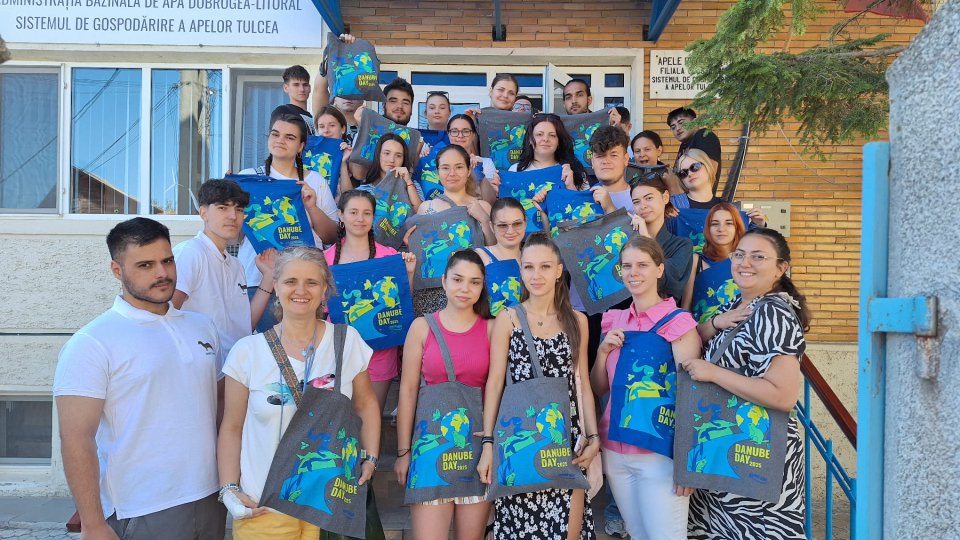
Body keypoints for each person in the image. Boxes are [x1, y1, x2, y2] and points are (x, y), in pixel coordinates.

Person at [55, 217, 225, 540]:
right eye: (145, 265)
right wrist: (92, 525)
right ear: (117, 271)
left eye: (168, 260)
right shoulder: (92, 342)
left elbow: (219, 406)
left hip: (209, 497)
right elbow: (76, 439)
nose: (162, 273)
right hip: (141, 508)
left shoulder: (202, 327)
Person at [217, 246, 382, 538]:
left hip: (330, 507)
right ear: (276, 285)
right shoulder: (247, 352)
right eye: (291, 281)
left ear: (325, 290)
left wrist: (370, 456)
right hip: (265, 506)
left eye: (311, 282)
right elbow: (232, 426)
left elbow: (367, 404)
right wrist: (229, 489)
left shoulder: (347, 341)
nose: (300, 290)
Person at [680, 228, 810, 540]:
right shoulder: (745, 305)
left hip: (758, 455)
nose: (744, 262)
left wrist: (712, 373)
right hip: (733, 452)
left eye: (758, 256)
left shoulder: (773, 312)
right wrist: (715, 323)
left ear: (781, 268)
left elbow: (783, 395)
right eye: (739, 254)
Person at [477, 231, 600, 540]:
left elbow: (582, 381)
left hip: (566, 442)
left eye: (545, 267)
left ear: (559, 270)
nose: (536, 275)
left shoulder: (577, 321)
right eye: (529, 267)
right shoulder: (508, 319)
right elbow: (495, 383)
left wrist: (594, 436)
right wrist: (489, 443)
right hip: (520, 440)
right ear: (521, 270)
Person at [591, 236, 701, 540]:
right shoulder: (615, 321)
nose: (633, 272)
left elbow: (691, 395)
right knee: (638, 535)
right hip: (616, 450)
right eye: (626, 266)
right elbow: (600, 387)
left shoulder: (678, 323)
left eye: (642, 265)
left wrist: (688, 462)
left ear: (659, 269)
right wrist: (602, 353)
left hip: (659, 454)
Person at [395, 249, 494, 540]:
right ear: (444, 280)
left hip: (476, 450)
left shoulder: (491, 329)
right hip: (429, 449)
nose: (465, 288)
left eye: (474, 282)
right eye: (458, 279)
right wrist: (403, 452)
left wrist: (491, 443)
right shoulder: (422, 327)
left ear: (482, 287)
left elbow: (496, 389)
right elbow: (408, 391)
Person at [237, 114, 340, 324]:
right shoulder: (247, 178)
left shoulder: (314, 180)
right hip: (257, 280)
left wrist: (311, 207)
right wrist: (228, 199)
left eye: (290, 137)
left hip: (304, 281)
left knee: (302, 350)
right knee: (264, 351)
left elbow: (332, 235)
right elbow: (235, 236)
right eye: (275, 134)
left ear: (301, 146)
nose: (280, 140)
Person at [324, 189, 416, 413]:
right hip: (336, 354)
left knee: (371, 418)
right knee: (339, 422)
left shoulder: (389, 256)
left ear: (374, 217)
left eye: (366, 213)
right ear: (340, 215)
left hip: (380, 354)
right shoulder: (325, 259)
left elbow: (400, 306)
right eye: (353, 212)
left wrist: (410, 274)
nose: (360, 219)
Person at [172, 179, 273, 356]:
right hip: (201, 371)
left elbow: (244, 326)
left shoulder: (236, 265)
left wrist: (269, 276)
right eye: (223, 208)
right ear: (203, 213)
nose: (233, 216)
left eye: (239, 209)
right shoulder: (190, 253)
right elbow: (165, 313)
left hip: (234, 371)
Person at [629, 178, 694, 302]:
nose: (643, 206)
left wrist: (645, 240)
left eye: (649, 198)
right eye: (636, 202)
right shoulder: (627, 242)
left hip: (662, 318)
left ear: (665, 197)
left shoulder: (682, 245)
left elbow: (670, 286)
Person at [681, 202, 746, 324]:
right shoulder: (696, 260)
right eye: (715, 224)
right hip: (704, 335)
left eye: (729, 223)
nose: (721, 229)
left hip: (741, 334)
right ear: (708, 229)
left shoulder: (746, 261)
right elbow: (686, 308)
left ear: (737, 227)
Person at [510, 113, 589, 190]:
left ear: (559, 141)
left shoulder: (575, 171)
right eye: (539, 134)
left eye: (552, 135)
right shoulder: (515, 170)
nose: (545, 139)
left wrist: (570, 186)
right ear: (530, 139)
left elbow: (585, 202)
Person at [476, 197, 525, 316]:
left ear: (525, 223)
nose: (510, 231)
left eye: (517, 223)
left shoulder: (534, 257)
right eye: (503, 225)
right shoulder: (480, 256)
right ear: (492, 226)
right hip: (494, 330)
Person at [311, 33, 364, 139]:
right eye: (343, 91)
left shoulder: (370, 126)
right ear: (333, 97)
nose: (348, 96)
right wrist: (334, 52)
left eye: (352, 91)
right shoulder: (324, 119)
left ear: (362, 98)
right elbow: (319, 89)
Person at [354, 132, 425, 209]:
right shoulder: (363, 190)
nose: (392, 160)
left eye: (398, 156)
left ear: (403, 159)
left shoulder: (413, 185)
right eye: (387, 153)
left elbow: (421, 213)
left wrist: (408, 181)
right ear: (378, 155)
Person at [445, 114, 496, 203]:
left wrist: (477, 173)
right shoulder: (440, 161)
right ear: (448, 134)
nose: (460, 135)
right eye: (454, 131)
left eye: (465, 131)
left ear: (473, 135)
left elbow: (491, 203)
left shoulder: (485, 163)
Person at [666, 107, 722, 189]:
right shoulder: (684, 145)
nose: (677, 128)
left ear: (695, 121)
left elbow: (709, 173)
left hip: (698, 199)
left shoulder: (703, 135)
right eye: (673, 127)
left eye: (681, 123)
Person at [272, 65, 315, 135]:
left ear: (309, 88)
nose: (302, 89)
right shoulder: (283, 112)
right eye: (296, 85)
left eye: (305, 85)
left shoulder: (313, 119)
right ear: (286, 88)